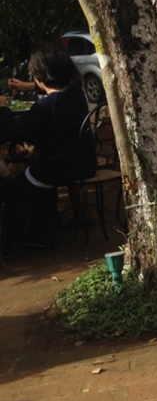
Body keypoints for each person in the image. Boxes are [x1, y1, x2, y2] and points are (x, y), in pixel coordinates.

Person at [0, 40, 96, 255]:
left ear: (40, 77)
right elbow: (54, 86)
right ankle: (47, 228)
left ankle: (12, 245)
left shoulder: (44, 107)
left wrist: (3, 108)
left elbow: (13, 132)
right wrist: (29, 86)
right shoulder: (76, 93)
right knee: (35, 178)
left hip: (55, 169)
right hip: (83, 164)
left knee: (15, 188)